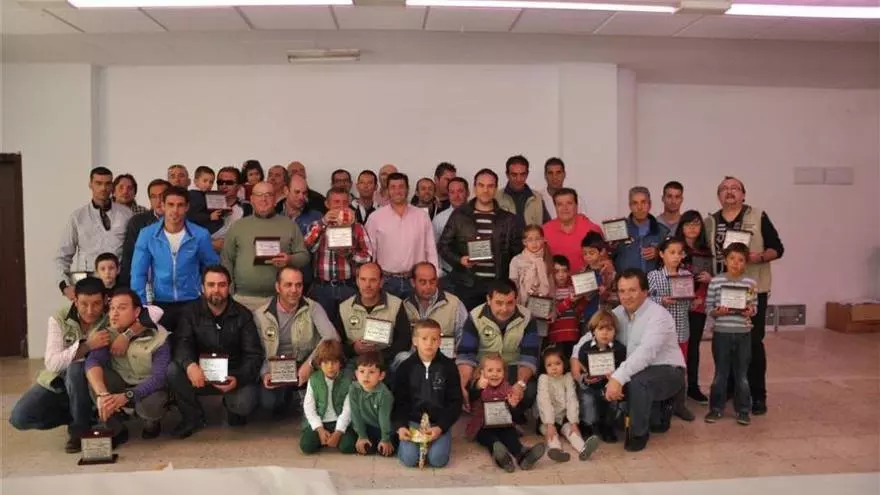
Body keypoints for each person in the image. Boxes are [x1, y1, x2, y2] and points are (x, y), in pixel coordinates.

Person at [572, 269, 686, 452]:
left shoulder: (659, 316)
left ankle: (638, 433)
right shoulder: (617, 313)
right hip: (634, 369)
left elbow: (645, 353)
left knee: (638, 382)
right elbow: (590, 335)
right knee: (614, 381)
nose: (626, 296)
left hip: (667, 371)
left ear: (645, 292)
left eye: (632, 290)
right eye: (622, 291)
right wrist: (575, 357)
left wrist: (618, 378)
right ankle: (632, 414)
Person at [704, 176, 784, 416]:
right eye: (724, 189)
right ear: (718, 195)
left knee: (753, 343)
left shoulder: (758, 216)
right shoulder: (711, 221)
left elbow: (777, 248)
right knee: (726, 341)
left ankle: (757, 395)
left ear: (743, 194)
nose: (729, 192)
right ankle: (730, 390)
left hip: (753, 289)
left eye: (735, 188)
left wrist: (758, 257)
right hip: (723, 288)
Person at [9, 277, 107, 453]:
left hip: (96, 380)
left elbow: (151, 312)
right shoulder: (59, 318)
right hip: (59, 379)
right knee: (20, 417)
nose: (90, 311)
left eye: (96, 304)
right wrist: (86, 346)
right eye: (84, 304)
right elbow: (53, 364)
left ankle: (79, 430)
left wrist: (128, 334)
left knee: (76, 369)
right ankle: (80, 416)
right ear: (75, 301)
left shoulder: (111, 315)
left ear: (105, 301)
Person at [167, 266, 264, 438]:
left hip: (231, 374)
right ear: (202, 288)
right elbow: (182, 343)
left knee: (244, 403)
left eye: (222, 285)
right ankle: (192, 417)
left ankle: (232, 407)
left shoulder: (243, 315)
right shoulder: (190, 312)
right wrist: (190, 365)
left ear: (229, 287)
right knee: (173, 370)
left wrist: (238, 378)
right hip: (200, 374)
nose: (216, 290)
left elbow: (253, 355)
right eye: (211, 285)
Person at [85, 288, 170, 444]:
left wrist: (128, 396)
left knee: (151, 405)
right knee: (95, 380)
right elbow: (93, 361)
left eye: (122, 308)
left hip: (148, 386)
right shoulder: (106, 334)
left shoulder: (158, 336)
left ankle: (151, 422)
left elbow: (159, 378)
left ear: (137, 312)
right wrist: (103, 394)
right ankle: (116, 426)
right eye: (112, 308)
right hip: (121, 381)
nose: (114, 314)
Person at [254, 267, 340, 417]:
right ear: (278, 287)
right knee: (268, 402)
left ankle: (302, 394)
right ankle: (289, 397)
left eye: (298, 285)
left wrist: (310, 363)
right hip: (276, 368)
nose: (294, 290)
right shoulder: (261, 314)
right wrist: (264, 373)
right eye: (288, 285)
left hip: (304, 362)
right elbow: (256, 350)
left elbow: (332, 337)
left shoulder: (313, 307)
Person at [130, 186, 219, 331]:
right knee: (163, 344)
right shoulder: (147, 234)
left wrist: (208, 298)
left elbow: (211, 269)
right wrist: (141, 305)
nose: (175, 210)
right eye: (170, 205)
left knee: (189, 344)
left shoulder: (200, 234)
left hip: (192, 301)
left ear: (187, 207)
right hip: (159, 303)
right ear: (163, 206)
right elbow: (138, 273)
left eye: (180, 205)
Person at [456, 280, 540, 422]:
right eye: (499, 303)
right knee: (466, 388)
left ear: (516, 299)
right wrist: (463, 385)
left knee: (530, 390)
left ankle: (512, 414)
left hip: (513, 369)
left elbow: (529, 356)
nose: (504, 309)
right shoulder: (475, 316)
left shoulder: (527, 318)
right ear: (489, 300)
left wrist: (520, 384)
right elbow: (466, 355)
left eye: (510, 303)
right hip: (483, 370)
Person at [438, 169, 523, 310]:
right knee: (468, 323)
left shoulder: (508, 219)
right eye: (481, 185)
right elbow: (443, 246)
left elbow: (517, 252)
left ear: (496, 188)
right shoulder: (459, 215)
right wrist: (460, 260)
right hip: (467, 285)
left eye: (490, 186)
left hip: (497, 287)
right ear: (474, 188)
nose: (485, 190)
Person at [222, 182, 310, 311]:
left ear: (275, 199)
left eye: (268, 195)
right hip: (243, 299)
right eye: (259, 195)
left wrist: (289, 259)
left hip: (279, 299)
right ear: (252, 199)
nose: (264, 199)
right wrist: (230, 293)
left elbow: (304, 256)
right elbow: (226, 260)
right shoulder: (238, 226)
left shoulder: (289, 225)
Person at [393, 319, 462, 468]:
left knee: (438, 460)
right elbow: (399, 401)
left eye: (434, 339)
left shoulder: (449, 367)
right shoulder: (405, 367)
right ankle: (408, 448)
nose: (429, 343)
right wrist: (401, 426)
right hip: (413, 421)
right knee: (409, 460)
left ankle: (436, 444)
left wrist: (441, 427)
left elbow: (455, 402)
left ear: (440, 342)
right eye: (424, 339)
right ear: (415, 341)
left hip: (438, 422)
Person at [56, 167, 133, 301]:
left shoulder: (126, 214)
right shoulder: (77, 217)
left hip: (118, 286)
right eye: (98, 183)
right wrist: (65, 286)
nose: (103, 188)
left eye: (108, 183)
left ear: (112, 186)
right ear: (90, 184)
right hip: (87, 286)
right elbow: (62, 255)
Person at [704, 242, 758, 426]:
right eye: (732, 259)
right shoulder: (716, 281)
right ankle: (715, 408)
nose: (736, 263)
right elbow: (708, 308)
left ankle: (743, 410)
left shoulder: (750, 283)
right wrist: (717, 312)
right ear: (725, 260)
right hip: (722, 333)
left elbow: (754, 307)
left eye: (741, 260)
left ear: (746, 263)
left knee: (742, 375)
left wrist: (750, 311)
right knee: (720, 373)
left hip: (743, 333)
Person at [464, 353, 545, 473]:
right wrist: (478, 386)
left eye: (499, 370)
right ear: (482, 372)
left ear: (504, 373)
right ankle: (502, 457)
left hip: (503, 423)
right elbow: (471, 395)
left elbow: (515, 415)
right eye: (490, 370)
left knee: (510, 434)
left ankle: (522, 455)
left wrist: (513, 405)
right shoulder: (479, 385)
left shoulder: (507, 388)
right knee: (490, 440)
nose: (495, 374)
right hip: (482, 425)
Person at [304, 187, 372, 325]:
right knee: (323, 328)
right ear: (327, 204)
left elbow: (368, 257)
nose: (341, 206)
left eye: (345, 202)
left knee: (350, 327)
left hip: (348, 287)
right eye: (336, 202)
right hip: (322, 288)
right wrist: (323, 224)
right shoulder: (317, 225)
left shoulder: (357, 228)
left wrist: (349, 254)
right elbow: (307, 247)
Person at [365, 172, 438, 300]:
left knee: (416, 313)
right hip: (386, 281)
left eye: (401, 187)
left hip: (416, 281)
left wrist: (433, 277)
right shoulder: (375, 218)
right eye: (393, 187)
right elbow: (370, 252)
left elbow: (430, 249)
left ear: (407, 189)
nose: (397, 191)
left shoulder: (422, 216)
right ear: (387, 191)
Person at [647, 237, 695, 422]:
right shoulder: (653, 276)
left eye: (679, 253)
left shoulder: (686, 275)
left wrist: (692, 301)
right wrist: (662, 300)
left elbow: (688, 304)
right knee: (661, 366)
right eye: (671, 252)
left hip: (681, 330)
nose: (676, 256)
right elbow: (646, 301)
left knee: (680, 367)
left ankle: (679, 404)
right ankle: (661, 402)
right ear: (661, 254)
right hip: (660, 331)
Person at [338, 263, 412, 375]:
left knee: (404, 357)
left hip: (386, 361)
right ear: (357, 281)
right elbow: (337, 343)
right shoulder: (344, 307)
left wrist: (380, 355)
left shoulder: (396, 304)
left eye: (373, 280)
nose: (367, 285)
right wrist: (353, 349)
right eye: (363, 279)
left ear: (381, 282)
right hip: (355, 361)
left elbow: (404, 340)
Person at [571, 310, 627, 443]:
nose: (605, 333)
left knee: (613, 403)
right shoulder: (585, 348)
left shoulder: (620, 350)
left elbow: (623, 368)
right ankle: (587, 424)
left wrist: (614, 376)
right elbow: (582, 368)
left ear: (615, 332)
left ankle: (607, 427)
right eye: (601, 329)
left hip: (609, 386)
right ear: (593, 331)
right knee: (588, 403)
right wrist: (586, 377)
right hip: (590, 386)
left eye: (609, 329)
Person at [675, 210, 713, 404]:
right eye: (688, 224)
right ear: (681, 227)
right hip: (677, 305)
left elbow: (717, 277)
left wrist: (710, 278)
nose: (692, 228)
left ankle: (693, 386)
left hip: (698, 304)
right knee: (676, 345)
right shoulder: (674, 249)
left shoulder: (707, 251)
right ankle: (675, 387)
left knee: (694, 346)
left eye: (696, 224)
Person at [537, 346, 599, 462]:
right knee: (551, 435)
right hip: (546, 419)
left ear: (564, 364)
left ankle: (583, 449)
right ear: (544, 367)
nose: (554, 368)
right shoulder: (543, 379)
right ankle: (556, 450)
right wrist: (550, 424)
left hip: (565, 417)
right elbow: (544, 401)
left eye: (557, 363)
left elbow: (572, 399)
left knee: (572, 432)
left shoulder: (567, 377)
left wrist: (573, 422)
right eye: (549, 365)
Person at [402, 262, 469, 360]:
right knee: (402, 358)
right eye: (423, 282)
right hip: (413, 360)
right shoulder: (405, 306)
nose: (428, 286)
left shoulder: (454, 304)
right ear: (413, 282)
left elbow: (465, 336)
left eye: (432, 281)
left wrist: (459, 359)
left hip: (445, 359)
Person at [300, 340, 357, 454]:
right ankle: (323, 437)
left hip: (339, 421)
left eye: (334, 362)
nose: (330, 367)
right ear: (319, 363)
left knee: (348, 446)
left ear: (340, 363)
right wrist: (319, 429)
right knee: (306, 446)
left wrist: (338, 432)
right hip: (320, 421)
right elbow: (309, 407)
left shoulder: (347, 380)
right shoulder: (314, 379)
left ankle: (331, 438)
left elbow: (348, 409)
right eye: (325, 362)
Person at [276, 175, 323, 292]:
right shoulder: (273, 214)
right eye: (297, 192)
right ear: (286, 191)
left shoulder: (316, 217)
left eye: (304, 193)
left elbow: (315, 249)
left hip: (306, 281)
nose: (301, 197)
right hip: (277, 279)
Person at [120, 179, 169, 285]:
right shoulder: (138, 221)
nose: (158, 200)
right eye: (153, 197)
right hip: (146, 282)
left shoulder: (185, 222)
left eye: (162, 195)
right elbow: (129, 257)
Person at [611, 186, 669, 273]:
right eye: (635, 203)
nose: (639, 207)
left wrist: (658, 253)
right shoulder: (619, 229)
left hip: (653, 281)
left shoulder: (662, 231)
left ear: (650, 204)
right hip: (625, 280)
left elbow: (672, 258)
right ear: (630, 206)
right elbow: (606, 257)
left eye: (643, 202)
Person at [543, 188, 602, 273]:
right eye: (560, 204)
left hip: (588, 280)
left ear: (576, 206)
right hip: (557, 281)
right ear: (555, 207)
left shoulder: (593, 229)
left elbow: (604, 260)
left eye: (569, 203)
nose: (565, 208)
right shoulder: (544, 231)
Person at [508, 225, 552, 340]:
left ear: (543, 239)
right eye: (530, 240)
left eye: (537, 239)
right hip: (521, 306)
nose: (534, 243)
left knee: (538, 340)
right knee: (521, 339)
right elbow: (512, 286)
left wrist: (553, 308)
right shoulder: (517, 260)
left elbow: (552, 286)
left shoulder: (547, 259)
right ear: (524, 242)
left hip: (542, 308)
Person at [348, 351, 396, 457]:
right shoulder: (353, 389)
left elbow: (384, 419)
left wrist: (385, 439)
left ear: (381, 376)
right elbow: (355, 414)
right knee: (364, 449)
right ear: (356, 374)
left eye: (371, 372)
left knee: (385, 451)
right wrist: (362, 436)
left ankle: (386, 441)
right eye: (362, 371)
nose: (366, 376)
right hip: (366, 426)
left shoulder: (384, 394)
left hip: (382, 427)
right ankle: (367, 439)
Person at [547, 255, 586, 358]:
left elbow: (579, 311)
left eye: (564, 271)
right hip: (556, 337)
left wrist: (581, 299)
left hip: (574, 335)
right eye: (556, 271)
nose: (561, 275)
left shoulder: (573, 288)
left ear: (569, 272)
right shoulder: (550, 291)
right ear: (551, 273)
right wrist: (569, 301)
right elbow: (554, 312)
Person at [431, 177, 469, 281]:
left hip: (475, 275)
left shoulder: (477, 215)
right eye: (452, 192)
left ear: (468, 193)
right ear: (448, 194)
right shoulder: (439, 219)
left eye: (460, 191)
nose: (456, 196)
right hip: (447, 274)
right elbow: (433, 248)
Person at [496, 155, 549, 227]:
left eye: (522, 174)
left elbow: (547, 226)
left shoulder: (537, 198)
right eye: (514, 175)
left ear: (527, 174)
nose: (519, 179)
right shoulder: (496, 198)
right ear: (507, 175)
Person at [209, 167, 254, 253]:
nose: (224, 186)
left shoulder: (248, 208)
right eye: (220, 182)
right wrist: (210, 244)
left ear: (239, 186)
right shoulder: (203, 205)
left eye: (229, 183)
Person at [581, 232, 618, 310]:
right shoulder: (584, 271)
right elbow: (586, 296)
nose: (588, 256)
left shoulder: (609, 270)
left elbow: (617, 294)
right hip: (589, 311)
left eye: (591, 253)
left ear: (602, 251)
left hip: (606, 310)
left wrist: (606, 293)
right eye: (584, 254)